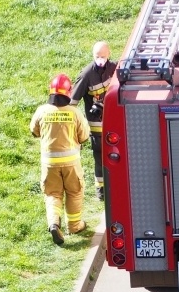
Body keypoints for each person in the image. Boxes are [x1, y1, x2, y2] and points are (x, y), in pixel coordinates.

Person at [30, 74, 90, 245]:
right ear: (68, 92)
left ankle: (54, 223)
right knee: (74, 192)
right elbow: (84, 136)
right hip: (71, 163)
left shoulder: (42, 111)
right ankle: (74, 225)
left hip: (49, 164)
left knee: (52, 194)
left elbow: (34, 131)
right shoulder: (74, 112)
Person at [71, 41, 117, 201]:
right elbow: (72, 103)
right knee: (100, 157)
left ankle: (117, 185)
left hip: (115, 122)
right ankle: (101, 190)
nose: (100, 59)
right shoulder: (86, 75)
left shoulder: (115, 69)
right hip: (96, 126)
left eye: (103, 56)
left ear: (109, 54)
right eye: (97, 56)